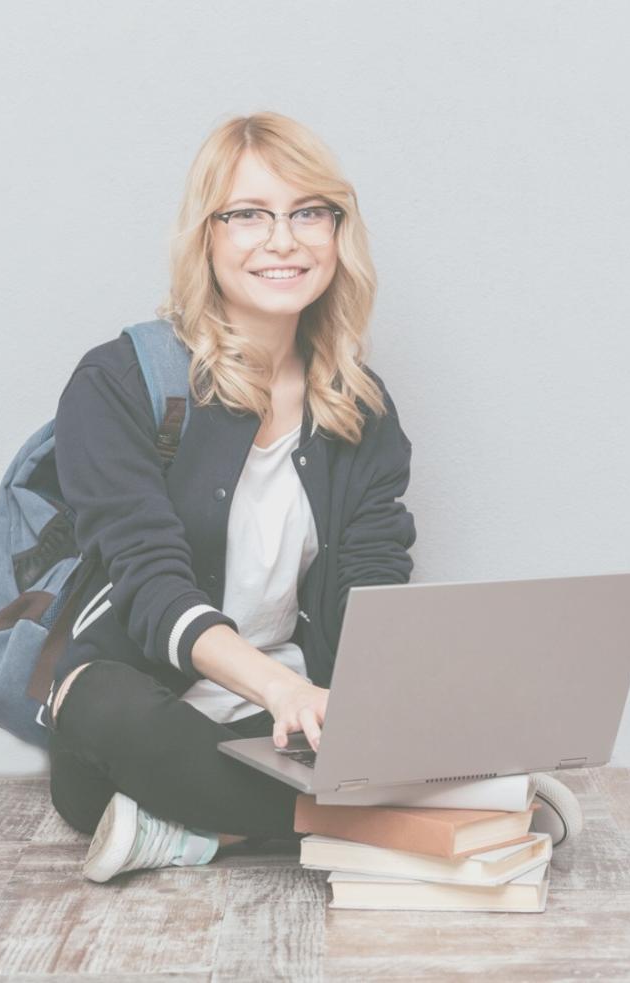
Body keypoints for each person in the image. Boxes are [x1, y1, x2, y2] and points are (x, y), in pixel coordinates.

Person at [44, 111, 581, 883]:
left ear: (338, 232)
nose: (283, 239)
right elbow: (149, 585)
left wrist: (372, 710)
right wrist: (282, 687)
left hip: (299, 715)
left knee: (433, 698)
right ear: (206, 236)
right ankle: (449, 819)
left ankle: (198, 833)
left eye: (308, 213)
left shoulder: (358, 407)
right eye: (249, 215)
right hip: (161, 702)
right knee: (99, 713)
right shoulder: (119, 382)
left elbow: (373, 580)